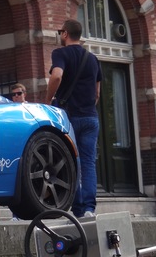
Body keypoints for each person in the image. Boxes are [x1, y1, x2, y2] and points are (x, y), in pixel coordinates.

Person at [45, 19, 101, 218]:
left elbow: (57, 76)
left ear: (65, 33)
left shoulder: (60, 53)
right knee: (88, 163)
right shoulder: (92, 59)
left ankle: (77, 209)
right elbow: (97, 94)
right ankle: (89, 209)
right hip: (90, 118)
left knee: (71, 162)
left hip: (69, 118)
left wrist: (47, 99)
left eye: (61, 32)